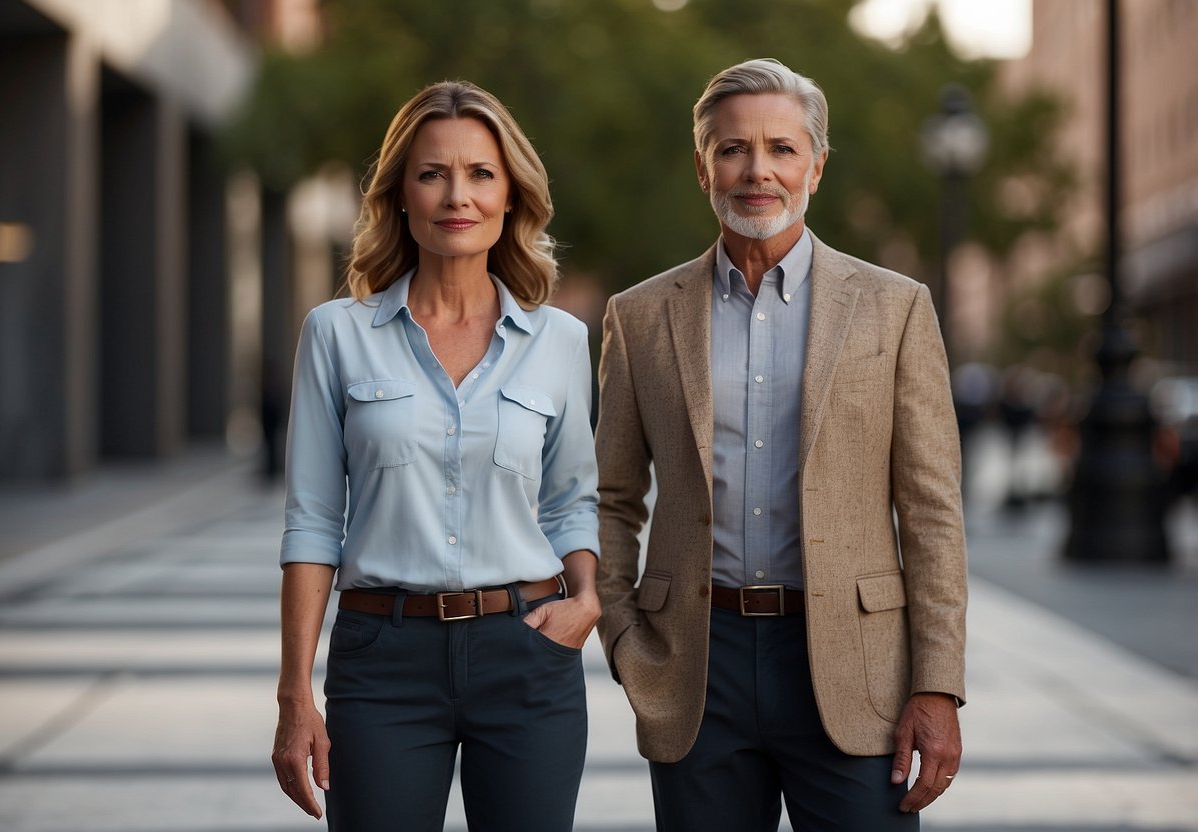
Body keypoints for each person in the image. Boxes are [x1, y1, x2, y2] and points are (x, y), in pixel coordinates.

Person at [595, 58, 967, 831]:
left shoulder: (895, 309)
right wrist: (627, 639)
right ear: (703, 168)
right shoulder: (638, 318)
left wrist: (937, 684)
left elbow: (931, 511)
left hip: (853, 663)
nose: (756, 171)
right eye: (732, 150)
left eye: (781, 149)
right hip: (696, 662)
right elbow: (609, 498)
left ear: (816, 167)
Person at [271, 80, 600, 832]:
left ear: (511, 194)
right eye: (432, 173)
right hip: (382, 658)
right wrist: (295, 692)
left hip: (526, 653)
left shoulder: (560, 341)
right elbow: (314, 522)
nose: (458, 196)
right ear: (400, 194)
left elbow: (570, 500)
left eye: (481, 174)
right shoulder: (335, 334)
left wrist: (586, 599)